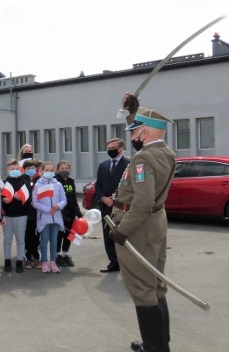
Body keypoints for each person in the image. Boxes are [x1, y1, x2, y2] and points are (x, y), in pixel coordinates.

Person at [109, 107, 176, 352]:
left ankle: (154, 348)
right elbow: (150, 201)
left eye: (134, 131)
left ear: (144, 133)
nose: (132, 136)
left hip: (139, 228)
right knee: (156, 287)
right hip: (155, 224)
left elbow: (143, 202)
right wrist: (132, 112)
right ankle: (159, 342)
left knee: (142, 289)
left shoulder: (142, 159)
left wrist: (122, 230)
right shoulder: (165, 151)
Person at [95, 138, 130, 273]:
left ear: (120, 148)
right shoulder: (103, 165)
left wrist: (115, 198)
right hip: (106, 206)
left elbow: (128, 184)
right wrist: (103, 198)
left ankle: (126, 263)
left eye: (112, 148)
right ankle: (113, 262)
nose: (110, 151)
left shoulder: (129, 164)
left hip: (121, 206)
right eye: (108, 148)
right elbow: (98, 185)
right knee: (108, 234)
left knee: (122, 233)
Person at [32, 162, 67, 273]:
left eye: (51, 170)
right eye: (46, 170)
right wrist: (48, 209)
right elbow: (34, 202)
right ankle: (44, 262)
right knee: (44, 240)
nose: (49, 172)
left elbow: (64, 200)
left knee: (54, 240)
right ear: (41, 171)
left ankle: (53, 261)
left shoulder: (58, 184)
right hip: (44, 217)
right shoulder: (38, 185)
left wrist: (58, 206)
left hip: (56, 217)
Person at [1, 159, 31, 274]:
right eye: (12, 169)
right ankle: (7, 261)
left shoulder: (24, 182)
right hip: (7, 216)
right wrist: (4, 200)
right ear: (7, 170)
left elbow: (29, 198)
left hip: (21, 215)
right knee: (7, 240)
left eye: (17, 169)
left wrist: (22, 198)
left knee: (20, 240)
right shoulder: (4, 183)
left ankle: (19, 261)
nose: (15, 171)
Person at [54, 160, 82, 267]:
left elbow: (74, 198)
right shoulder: (55, 181)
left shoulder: (71, 181)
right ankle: (56, 256)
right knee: (59, 235)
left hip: (71, 213)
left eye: (66, 168)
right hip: (59, 213)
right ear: (57, 170)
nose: (64, 170)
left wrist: (79, 214)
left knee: (69, 235)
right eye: (62, 168)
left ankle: (65, 254)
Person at [22, 160, 41, 269]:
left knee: (36, 236)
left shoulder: (39, 181)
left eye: (32, 168)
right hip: (26, 214)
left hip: (37, 213)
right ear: (24, 170)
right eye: (28, 168)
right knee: (27, 236)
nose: (31, 170)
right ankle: (28, 257)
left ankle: (36, 257)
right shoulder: (22, 181)